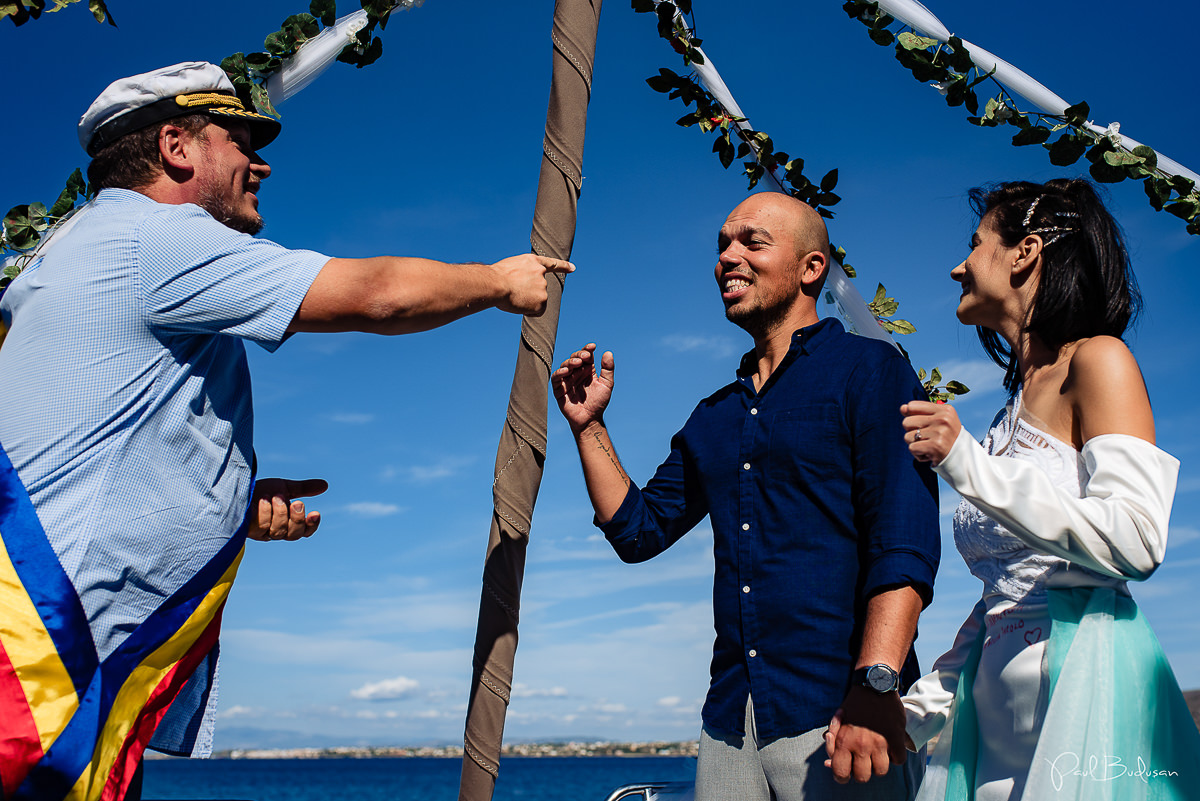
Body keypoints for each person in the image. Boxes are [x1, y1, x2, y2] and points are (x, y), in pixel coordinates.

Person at [0, 62, 571, 800]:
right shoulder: (158, 239)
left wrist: (226, 500)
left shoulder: (63, 255)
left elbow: (86, 446)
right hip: (45, 662)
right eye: (238, 139)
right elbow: (375, 295)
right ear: (177, 146)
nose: (258, 162)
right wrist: (501, 283)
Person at [552, 192, 940, 800]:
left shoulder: (870, 371)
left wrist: (877, 687)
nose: (727, 257)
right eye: (722, 245)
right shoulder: (714, 416)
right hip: (730, 721)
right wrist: (588, 428)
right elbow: (638, 531)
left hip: (840, 711)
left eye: (752, 242)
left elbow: (904, 540)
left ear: (812, 268)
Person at [869, 178, 1200, 800]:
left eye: (975, 245)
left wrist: (966, 461)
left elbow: (1137, 538)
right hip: (992, 723)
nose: (956, 267)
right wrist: (916, 711)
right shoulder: (1006, 414)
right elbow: (1008, 589)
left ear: (1026, 251)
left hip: (1085, 695)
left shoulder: (1099, 360)